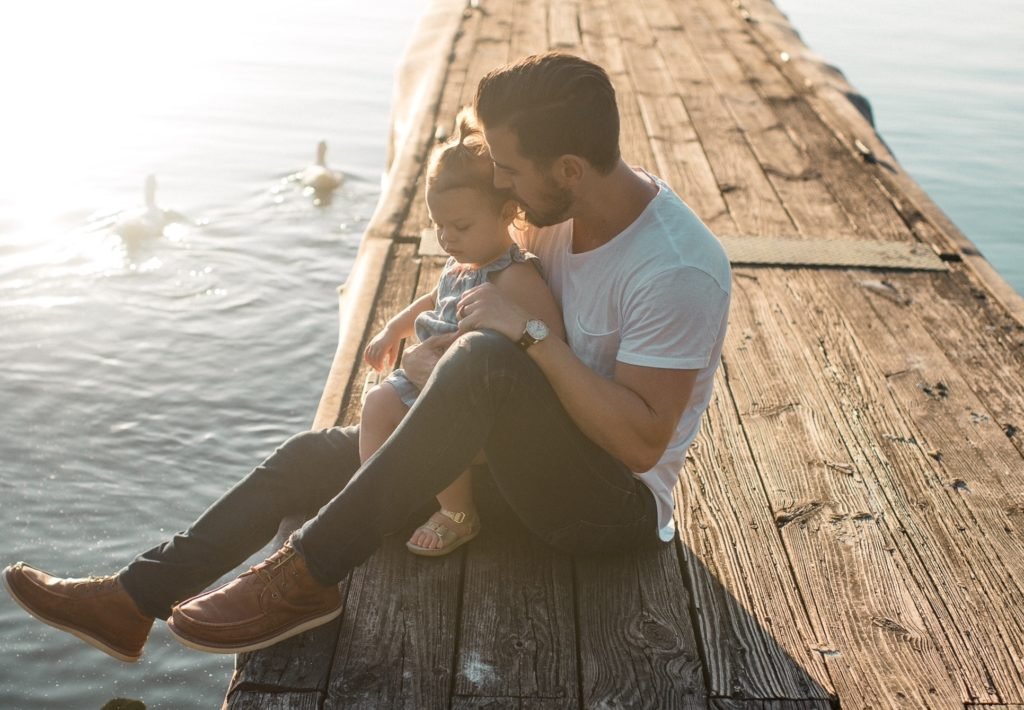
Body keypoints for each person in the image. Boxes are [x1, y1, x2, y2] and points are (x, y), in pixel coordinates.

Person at [3, 51, 731, 661]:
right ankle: (132, 601)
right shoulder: (553, 216)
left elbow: (640, 445)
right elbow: (481, 289)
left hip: (606, 509)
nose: (499, 182)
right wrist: (421, 331)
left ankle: (307, 576)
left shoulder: (675, 268)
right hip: (513, 463)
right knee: (307, 458)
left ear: (568, 169)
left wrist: (527, 338)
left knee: (483, 362)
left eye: (508, 168)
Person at [360, 109, 564, 556]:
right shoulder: (462, 262)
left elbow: (550, 338)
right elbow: (434, 298)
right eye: (439, 226)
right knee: (375, 403)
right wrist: (395, 329)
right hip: (427, 372)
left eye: (461, 226)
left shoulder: (514, 276)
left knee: (438, 427)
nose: (447, 238)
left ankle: (459, 512)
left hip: (470, 396)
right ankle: (378, 499)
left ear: (508, 211)